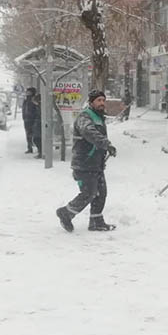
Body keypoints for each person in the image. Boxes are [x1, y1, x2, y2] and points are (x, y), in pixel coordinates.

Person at [56, 90, 118, 232]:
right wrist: (106, 144)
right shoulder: (85, 116)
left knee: (101, 193)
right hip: (84, 162)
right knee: (89, 193)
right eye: (98, 100)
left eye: (103, 100)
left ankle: (96, 221)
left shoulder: (98, 117)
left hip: (96, 163)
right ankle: (66, 212)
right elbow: (89, 132)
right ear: (91, 102)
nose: (102, 103)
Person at [22, 87, 38, 154]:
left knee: (35, 135)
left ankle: (38, 148)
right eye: (27, 92)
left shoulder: (35, 99)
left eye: (29, 92)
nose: (27, 93)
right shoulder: (26, 100)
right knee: (28, 135)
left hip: (34, 119)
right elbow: (24, 109)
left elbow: (37, 109)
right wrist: (24, 117)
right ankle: (29, 148)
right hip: (27, 119)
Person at [31, 94, 43, 159]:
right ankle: (40, 152)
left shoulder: (41, 107)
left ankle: (41, 152)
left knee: (37, 139)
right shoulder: (39, 106)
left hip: (39, 125)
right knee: (37, 139)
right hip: (38, 125)